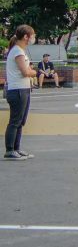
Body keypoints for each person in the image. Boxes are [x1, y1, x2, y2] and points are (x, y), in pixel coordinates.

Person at [5, 25, 37, 159]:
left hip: (23, 89)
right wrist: (34, 72)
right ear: (26, 37)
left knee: (20, 121)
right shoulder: (17, 51)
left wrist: (30, 70)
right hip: (17, 90)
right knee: (15, 121)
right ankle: (10, 150)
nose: (34, 38)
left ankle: (16, 148)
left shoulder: (20, 51)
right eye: (33, 35)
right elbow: (25, 72)